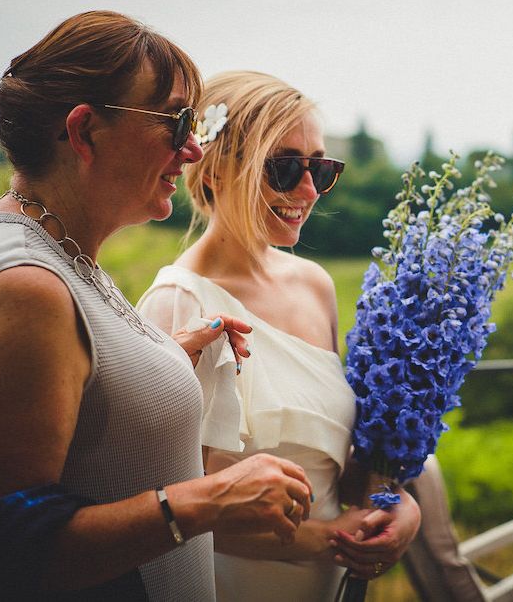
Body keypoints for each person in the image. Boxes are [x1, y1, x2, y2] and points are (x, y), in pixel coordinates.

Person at [0, 12, 314, 601]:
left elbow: (77, 411)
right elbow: (2, 555)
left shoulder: (53, 242)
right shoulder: (27, 287)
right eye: (175, 122)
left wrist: (159, 361)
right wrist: (211, 498)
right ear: (85, 131)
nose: (193, 148)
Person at [137, 70, 421, 601]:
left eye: (322, 167)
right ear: (217, 169)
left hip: (330, 586)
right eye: (286, 167)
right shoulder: (177, 304)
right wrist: (325, 539)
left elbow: (342, 453)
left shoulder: (314, 285)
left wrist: (400, 507)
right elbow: (162, 507)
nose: (309, 190)